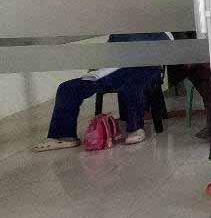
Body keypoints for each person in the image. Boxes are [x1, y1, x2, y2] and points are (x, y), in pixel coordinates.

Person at [32, 32, 173, 152]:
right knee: (67, 88)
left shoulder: (157, 29)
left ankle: (135, 128)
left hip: (145, 68)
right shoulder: (118, 32)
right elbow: (108, 52)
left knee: (131, 88)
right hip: (113, 70)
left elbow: (166, 49)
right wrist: (98, 66)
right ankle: (64, 136)